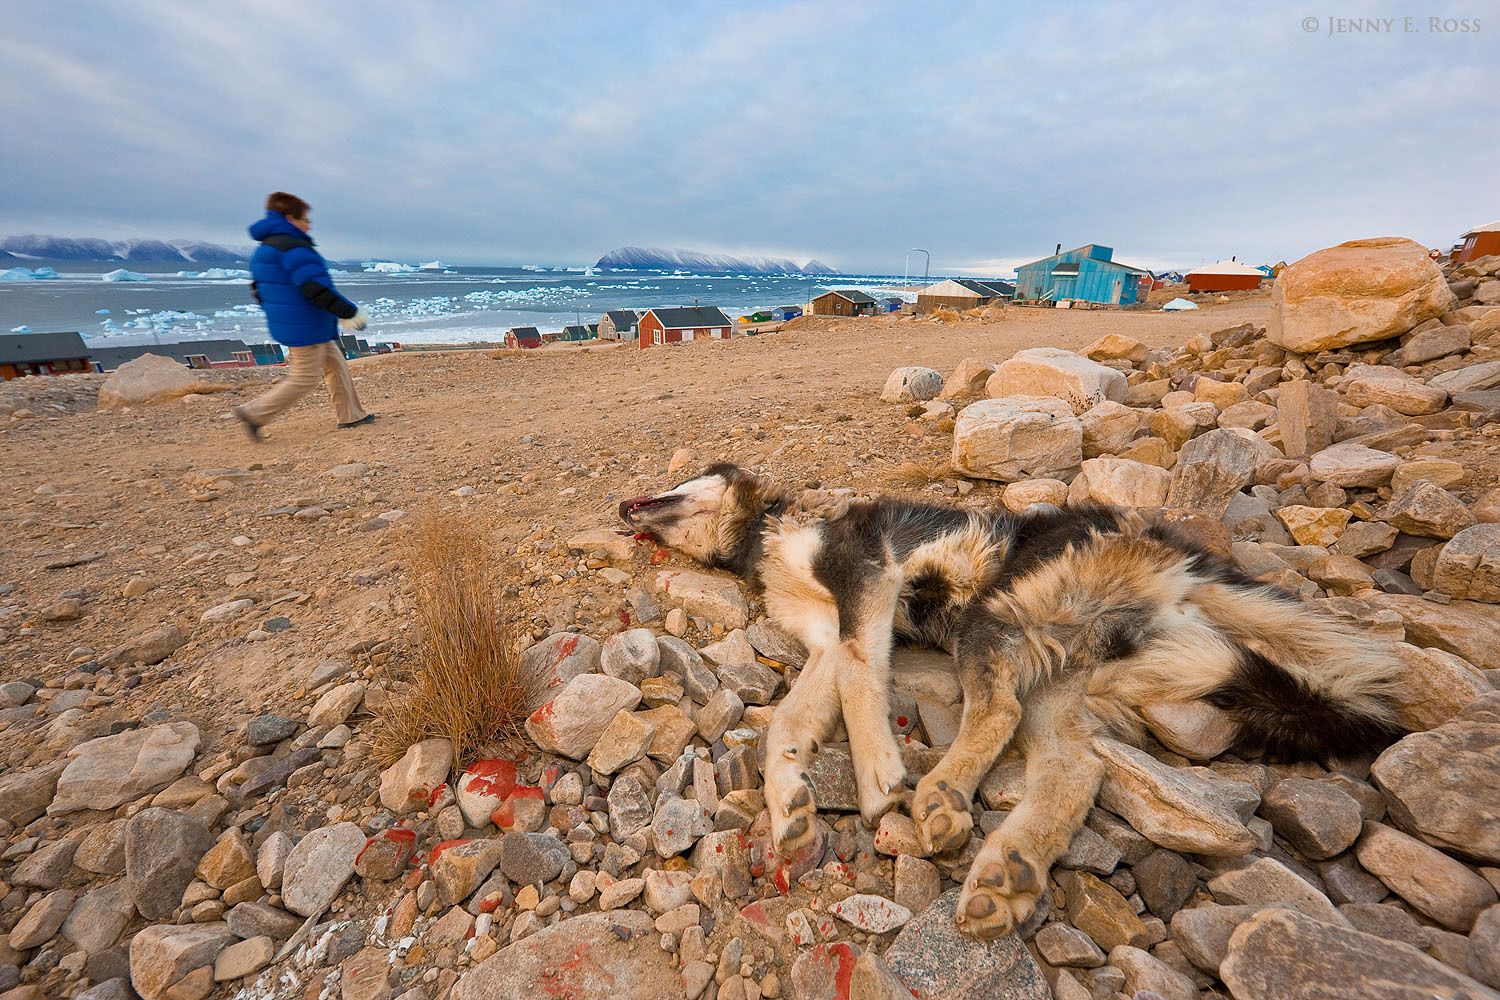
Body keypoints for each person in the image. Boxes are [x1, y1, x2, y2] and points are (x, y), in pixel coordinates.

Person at [232, 191, 375, 440]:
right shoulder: (293, 248)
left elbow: (258, 290)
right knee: (305, 377)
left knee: (336, 364)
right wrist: (350, 313)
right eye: (306, 219)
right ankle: (254, 413)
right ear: (290, 218)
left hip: (301, 322)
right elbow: (315, 288)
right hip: (306, 325)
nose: (309, 225)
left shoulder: (265, 249)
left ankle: (351, 415)